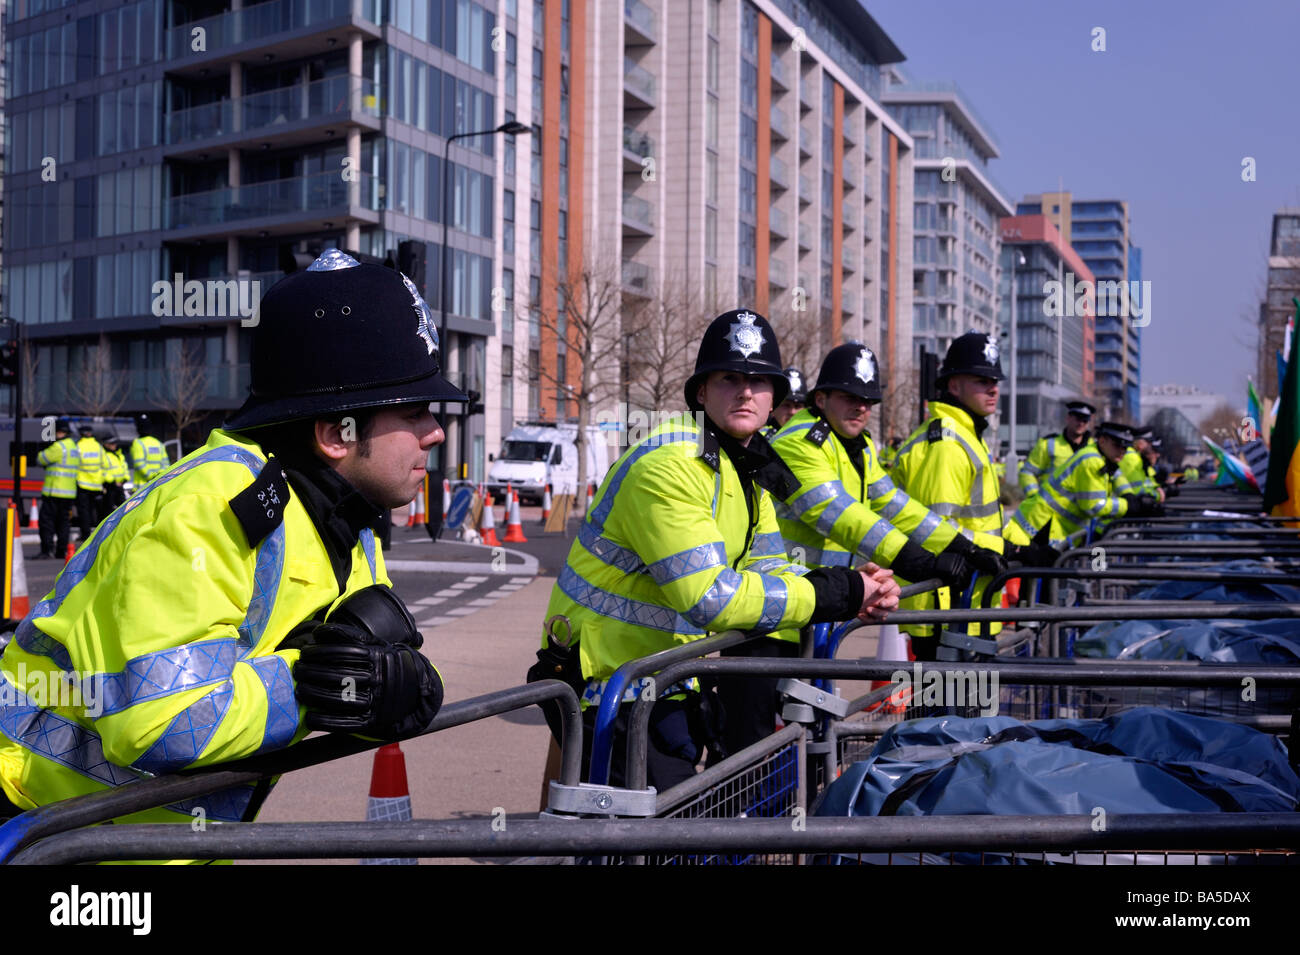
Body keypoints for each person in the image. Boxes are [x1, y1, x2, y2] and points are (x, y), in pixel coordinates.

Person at [0, 250, 454, 842]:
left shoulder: (349, 525)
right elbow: (165, 721)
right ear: (335, 434)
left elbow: (370, 671)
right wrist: (320, 688)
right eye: (415, 411)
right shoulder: (212, 506)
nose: (437, 431)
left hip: (144, 842)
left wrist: (400, 686)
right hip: (34, 828)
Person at [538, 309, 900, 788]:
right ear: (702, 392)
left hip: (663, 678)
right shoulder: (672, 464)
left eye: (759, 381)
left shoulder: (747, 468)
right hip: (608, 688)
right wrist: (840, 592)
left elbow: (771, 567)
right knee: (652, 837)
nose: (746, 390)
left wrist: (861, 590)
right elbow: (710, 596)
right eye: (730, 378)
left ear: (775, 399)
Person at [770, 342, 1005, 592]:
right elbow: (839, 514)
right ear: (820, 398)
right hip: (782, 593)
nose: (861, 407)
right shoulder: (798, 443)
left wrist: (962, 547)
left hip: (819, 596)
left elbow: (895, 505)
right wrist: (921, 563)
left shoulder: (859, 445)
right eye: (849, 397)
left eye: (868, 400)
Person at [891, 332, 1048, 661]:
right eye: (981, 380)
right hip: (946, 607)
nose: (993, 388)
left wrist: (1022, 545)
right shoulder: (946, 443)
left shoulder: (967, 435)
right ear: (953, 386)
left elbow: (982, 519)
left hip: (968, 601)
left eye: (995, 380)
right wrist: (1007, 548)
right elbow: (936, 529)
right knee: (946, 709)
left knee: (967, 708)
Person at [1006, 421, 1164, 550]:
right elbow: (1093, 506)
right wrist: (1129, 506)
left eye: (1125, 447)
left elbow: (1118, 478)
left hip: (1060, 530)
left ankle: (1094, 582)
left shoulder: (1105, 458)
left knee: (1084, 574)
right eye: (1118, 445)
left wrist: (1132, 498)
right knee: (1039, 584)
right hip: (1041, 528)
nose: (1122, 451)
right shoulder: (1092, 461)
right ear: (1102, 441)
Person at [1019, 400, 1095, 497]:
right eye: (1078, 418)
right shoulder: (1048, 444)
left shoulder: (1095, 448)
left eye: (1085, 420)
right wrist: (1034, 496)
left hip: (1085, 509)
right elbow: (1027, 472)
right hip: (1051, 509)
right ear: (1068, 418)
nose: (1081, 423)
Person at [34, 418, 78, 560]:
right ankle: (61, 551)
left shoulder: (59, 447)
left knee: (46, 522)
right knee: (63, 523)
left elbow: (40, 459)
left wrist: (44, 448)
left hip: (54, 491)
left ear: (59, 432)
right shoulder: (73, 447)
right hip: (69, 493)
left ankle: (47, 550)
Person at [73, 426, 104, 544]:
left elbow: (74, 463)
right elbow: (104, 463)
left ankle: (85, 534)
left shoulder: (79, 446)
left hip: (83, 483)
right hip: (96, 484)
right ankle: (95, 534)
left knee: (84, 511)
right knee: (94, 510)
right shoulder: (98, 446)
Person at [761, 366, 807, 437]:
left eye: (797, 406)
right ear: (773, 406)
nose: (792, 412)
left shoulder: (810, 438)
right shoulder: (759, 439)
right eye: (786, 405)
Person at [98, 435, 129, 519]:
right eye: (112, 444)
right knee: (108, 511)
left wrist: (125, 479)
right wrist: (113, 481)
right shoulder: (103, 455)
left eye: (115, 443)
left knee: (123, 509)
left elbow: (124, 468)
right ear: (106, 444)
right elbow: (102, 470)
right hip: (109, 486)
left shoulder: (119, 455)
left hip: (120, 486)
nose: (114, 445)